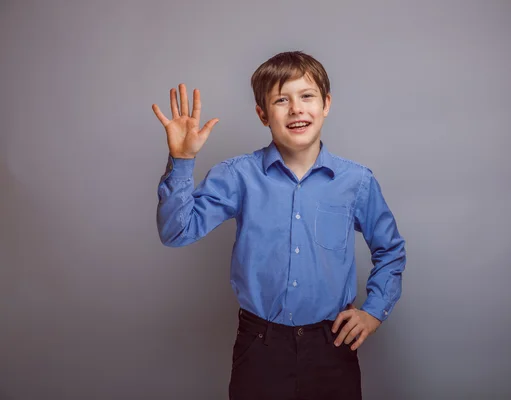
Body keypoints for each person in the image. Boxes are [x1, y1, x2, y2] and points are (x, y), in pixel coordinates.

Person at [152, 51, 406, 400]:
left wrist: (374, 311)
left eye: (307, 96)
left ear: (326, 104)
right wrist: (182, 161)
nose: (296, 109)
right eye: (281, 100)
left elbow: (390, 249)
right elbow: (176, 232)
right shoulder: (238, 175)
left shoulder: (356, 181)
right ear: (262, 114)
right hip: (260, 346)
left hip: (331, 345)